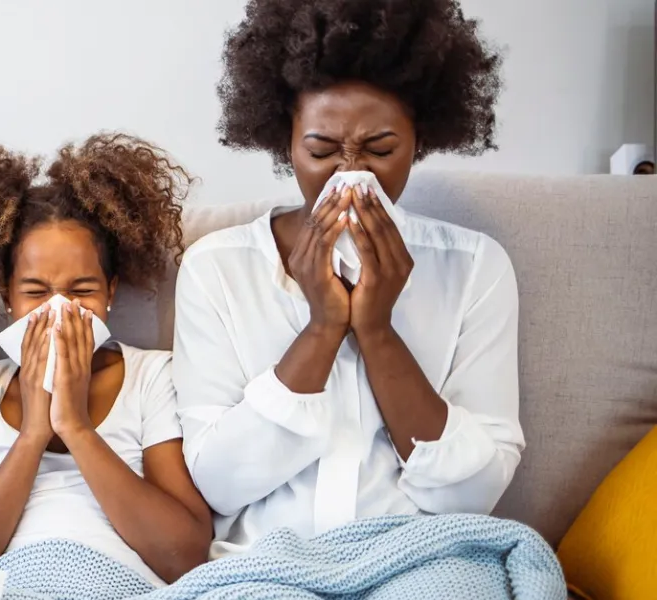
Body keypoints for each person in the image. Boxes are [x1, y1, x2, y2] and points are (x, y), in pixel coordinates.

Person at [174, 0, 525, 558]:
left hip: (419, 559)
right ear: (285, 142)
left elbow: (475, 492)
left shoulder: (476, 267)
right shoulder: (217, 268)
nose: (351, 173)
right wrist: (322, 327)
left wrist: (378, 331)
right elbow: (219, 484)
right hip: (267, 565)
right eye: (322, 150)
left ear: (420, 140)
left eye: (380, 149)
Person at [0, 134, 212, 586]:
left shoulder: (153, 377)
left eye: (82, 291)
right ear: (6, 297)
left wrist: (76, 427)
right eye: (35, 292)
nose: (59, 312)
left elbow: (186, 556)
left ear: (111, 291)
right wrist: (35, 432)